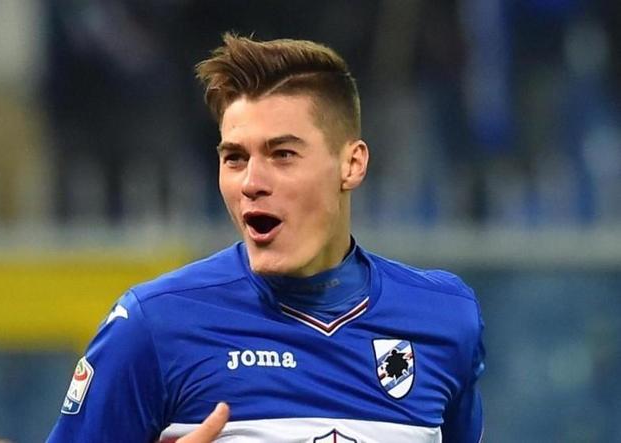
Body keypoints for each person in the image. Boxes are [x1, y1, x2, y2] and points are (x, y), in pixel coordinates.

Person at [47, 33, 485, 443]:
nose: (252, 182)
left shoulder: (444, 318)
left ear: (351, 165)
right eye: (235, 158)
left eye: (282, 154)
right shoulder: (153, 326)